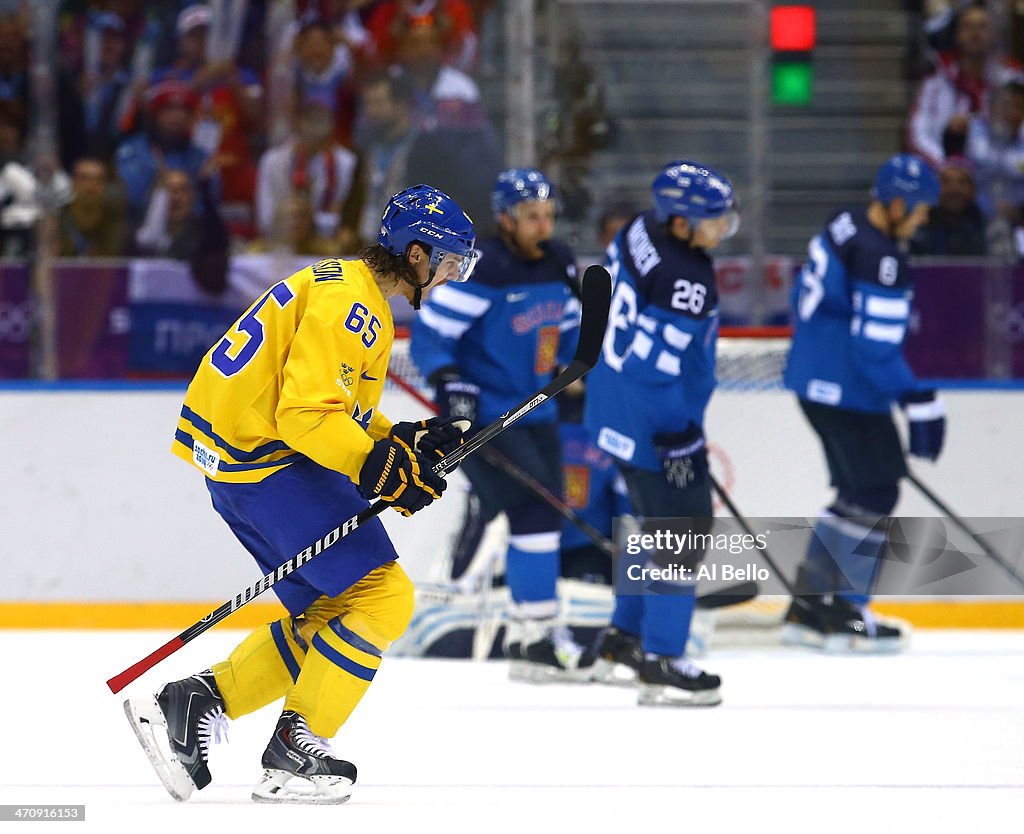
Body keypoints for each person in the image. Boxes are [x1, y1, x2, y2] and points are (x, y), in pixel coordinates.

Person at [124, 184, 478, 805]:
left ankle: (190, 705)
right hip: (269, 466)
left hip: (242, 467)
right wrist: (382, 468)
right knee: (383, 596)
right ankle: (296, 750)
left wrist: (403, 441)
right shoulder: (355, 305)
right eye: (448, 262)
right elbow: (309, 419)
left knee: (332, 610)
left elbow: (331, 411)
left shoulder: (345, 286)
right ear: (416, 254)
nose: (451, 277)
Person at [410, 167, 591, 682]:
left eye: (549, 215)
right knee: (534, 508)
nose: (543, 224)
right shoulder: (482, 267)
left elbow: (570, 322)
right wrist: (450, 381)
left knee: (544, 512)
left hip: (540, 406)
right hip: (491, 414)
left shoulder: (557, 259)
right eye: (532, 216)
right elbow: (431, 337)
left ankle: (531, 631)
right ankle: (533, 634)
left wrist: (574, 363)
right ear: (506, 219)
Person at [583, 160, 739, 707]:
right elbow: (654, 367)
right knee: (684, 536)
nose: (722, 229)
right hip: (653, 421)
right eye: (712, 220)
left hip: (613, 406)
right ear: (680, 222)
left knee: (652, 529)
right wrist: (678, 435)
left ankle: (623, 640)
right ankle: (661, 658)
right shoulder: (686, 279)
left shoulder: (637, 230)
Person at [782, 154, 944, 652]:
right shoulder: (883, 259)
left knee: (857, 495)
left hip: (813, 380)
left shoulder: (846, 220)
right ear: (896, 204)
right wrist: (917, 398)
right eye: (919, 208)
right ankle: (848, 614)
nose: (924, 218)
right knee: (874, 496)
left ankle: (810, 609)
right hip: (849, 389)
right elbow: (874, 348)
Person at [907, 3, 1022, 169]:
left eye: (983, 26)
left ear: (995, 34)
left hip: (1004, 176)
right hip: (947, 177)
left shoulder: (1014, 79)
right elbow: (918, 134)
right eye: (968, 26)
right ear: (956, 34)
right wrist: (947, 165)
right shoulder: (936, 81)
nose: (975, 33)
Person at [909, 157, 987, 256]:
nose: (954, 189)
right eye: (946, 182)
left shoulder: (990, 228)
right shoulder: (918, 228)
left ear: (973, 190)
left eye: (962, 183)